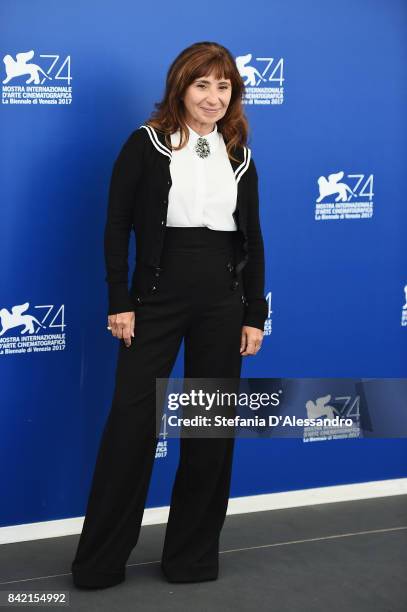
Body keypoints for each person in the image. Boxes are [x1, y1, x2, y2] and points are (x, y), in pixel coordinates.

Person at [71, 41, 269, 589]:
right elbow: (116, 226)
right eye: (202, 84)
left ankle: (192, 559)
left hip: (222, 302)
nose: (214, 96)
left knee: (209, 430)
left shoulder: (240, 153)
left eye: (224, 86)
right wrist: (119, 301)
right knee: (132, 424)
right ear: (180, 87)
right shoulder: (146, 144)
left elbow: (252, 237)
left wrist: (254, 312)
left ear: (235, 93)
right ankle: (99, 563)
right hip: (155, 298)